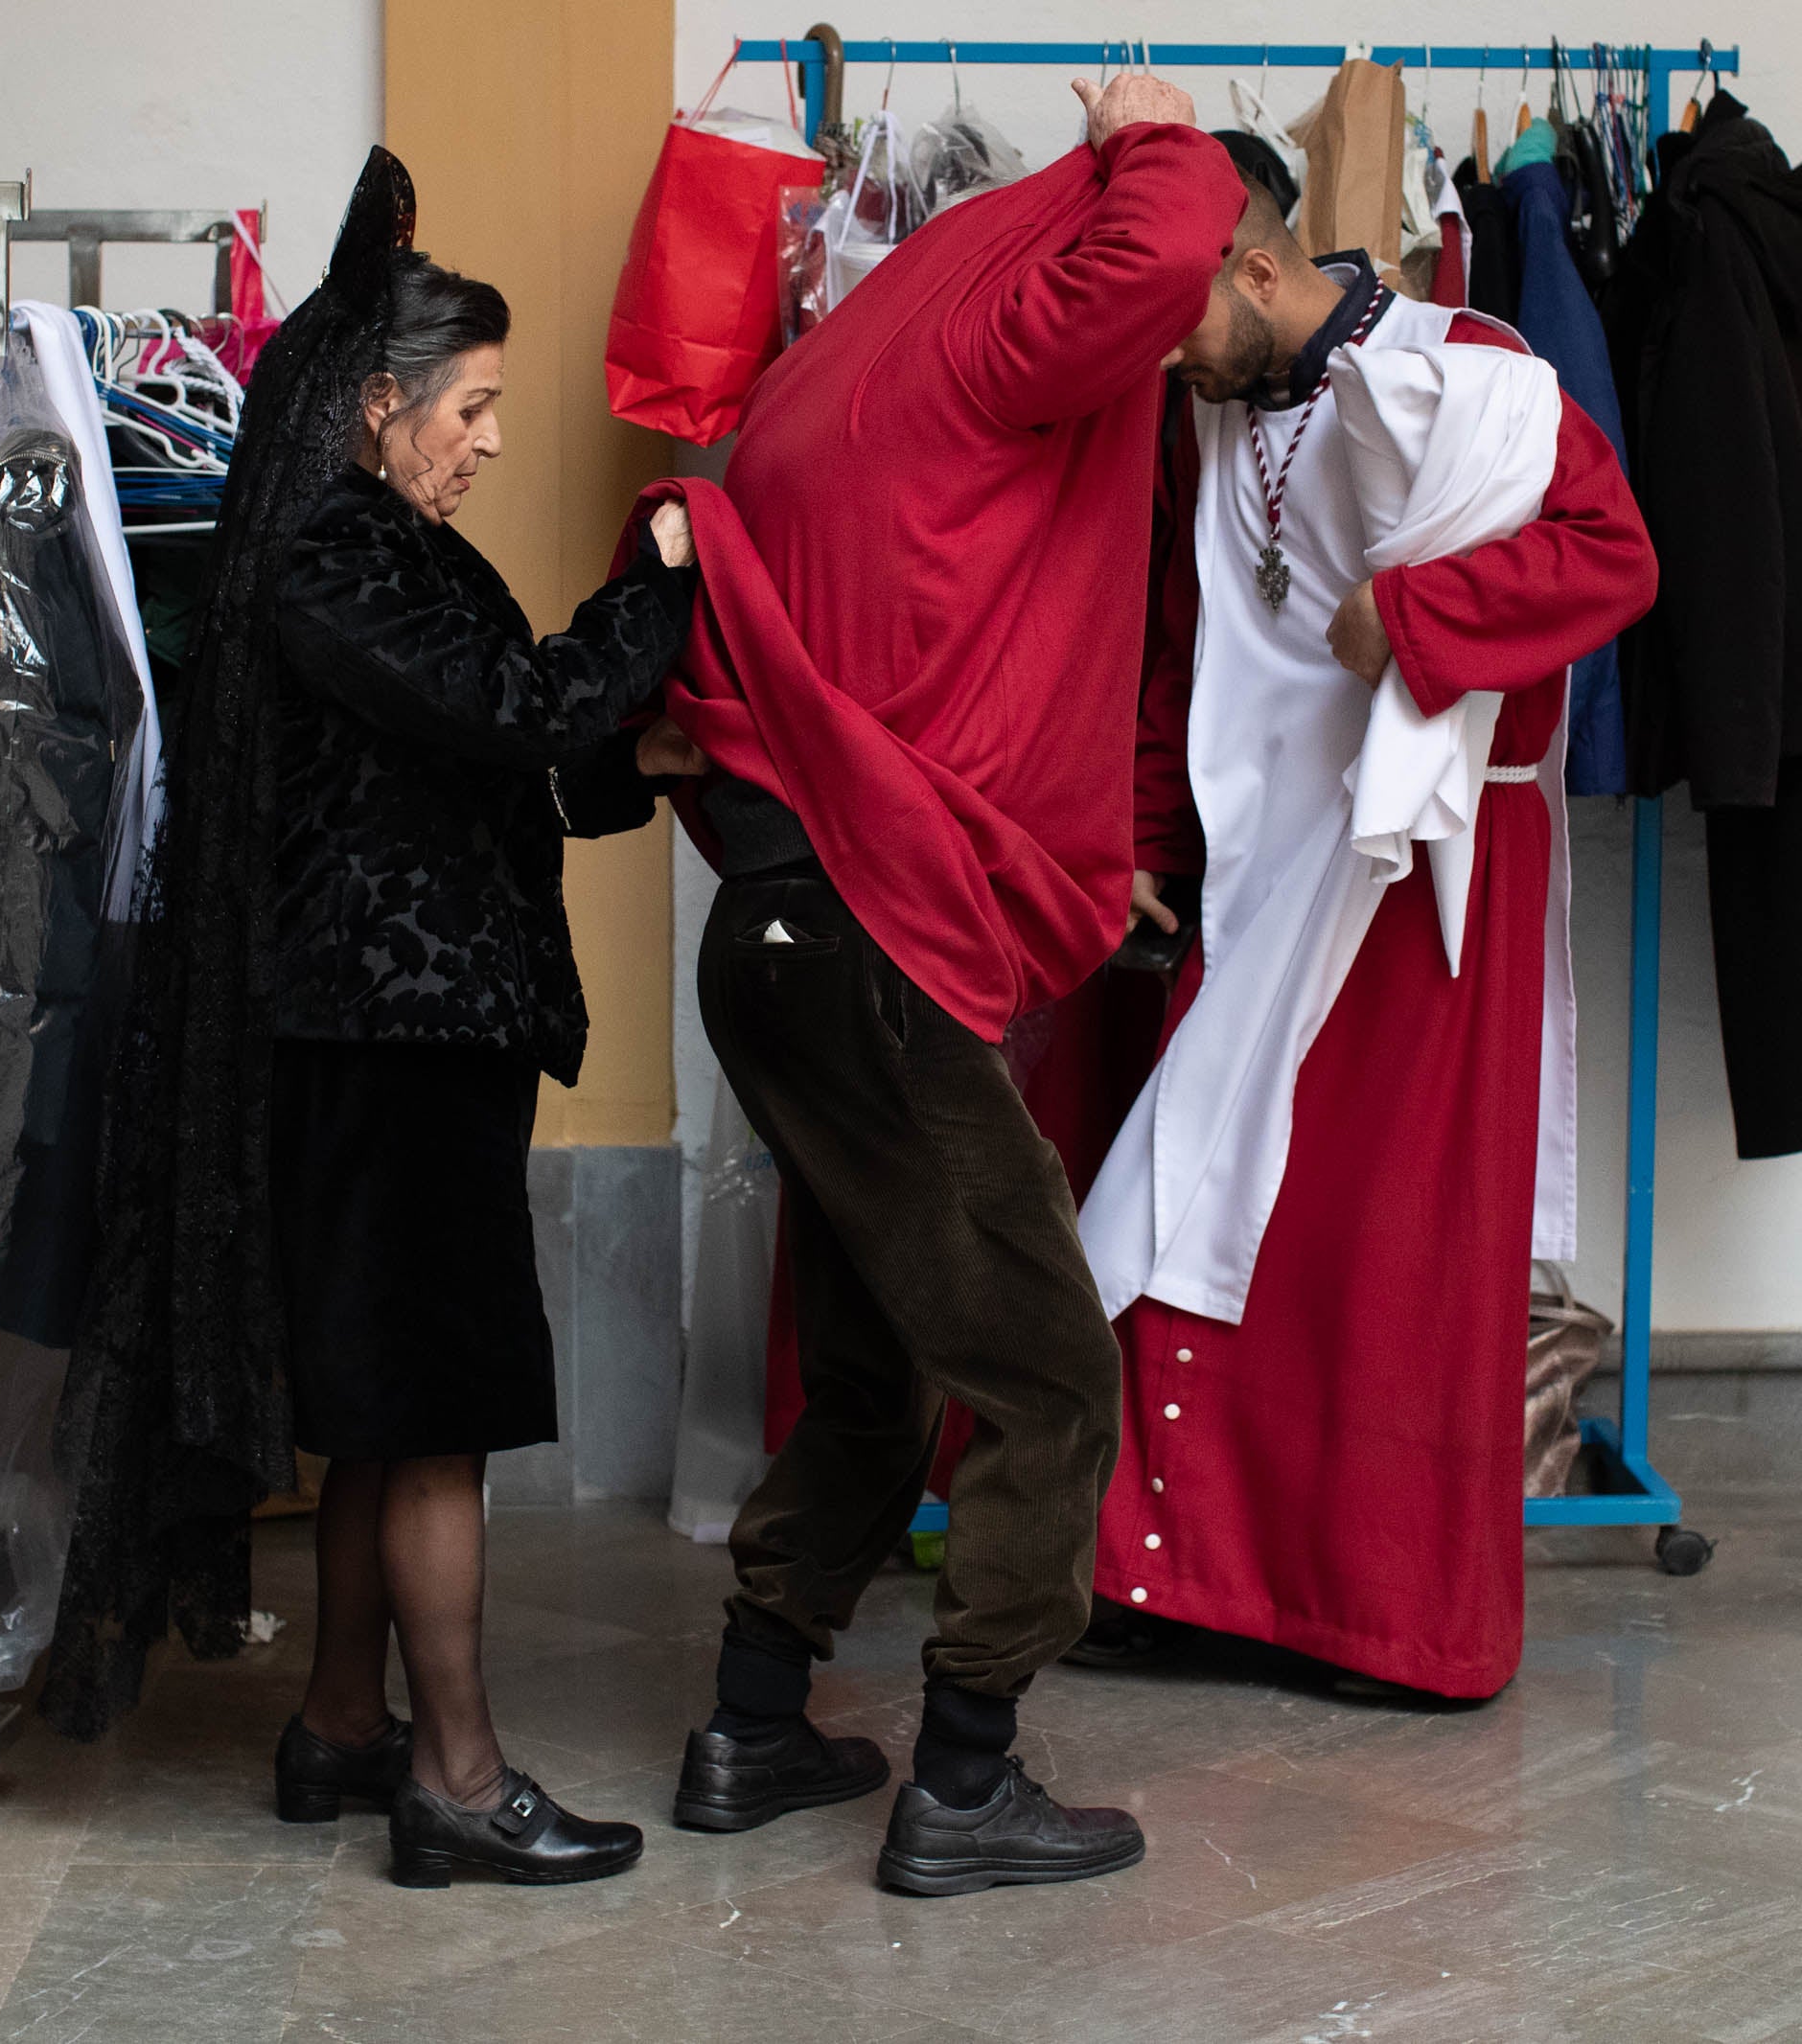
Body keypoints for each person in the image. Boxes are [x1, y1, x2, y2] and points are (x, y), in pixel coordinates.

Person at [47, 149, 702, 1890]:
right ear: (380, 403)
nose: (490, 439)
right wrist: (668, 576)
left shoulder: (372, 552)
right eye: (472, 408)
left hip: (397, 1035)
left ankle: (343, 1723)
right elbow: (515, 700)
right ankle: (460, 1780)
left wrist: (621, 753)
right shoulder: (340, 560)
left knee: (387, 1407)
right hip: (388, 1046)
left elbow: (490, 762)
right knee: (433, 1420)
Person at [634, 75, 1247, 1896]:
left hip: (781, 936)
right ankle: (965, 1773)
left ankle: (752, 1724)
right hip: (867, 947)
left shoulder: (872, 341)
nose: (1193, 343)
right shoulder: (1010, 330)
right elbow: (1168, 248)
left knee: (876, 1364)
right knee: (1053, 1378)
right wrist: (1157, 129)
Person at [1073, 183, 1658, 1698]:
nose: (1163, 367)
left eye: (1178, 328)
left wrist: (1419, 611)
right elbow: (1178, 649)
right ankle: (1193, 1586)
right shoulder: (1205, 418)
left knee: (1389, 1253)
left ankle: (1394, 1619)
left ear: (1259, 268)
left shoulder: (1474, 373)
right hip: (1261, 865)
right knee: (1199, 1208)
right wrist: (1146, 835)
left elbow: (1616, 556)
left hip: (1426, 869)